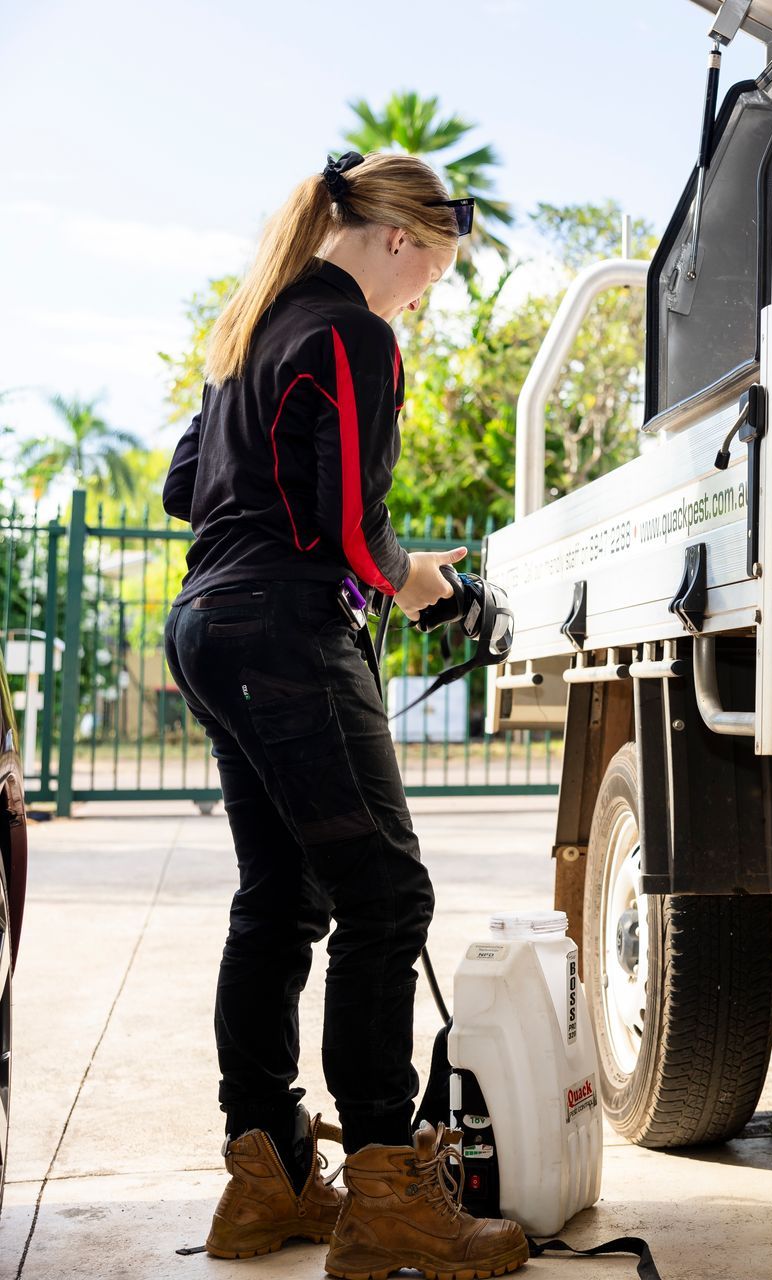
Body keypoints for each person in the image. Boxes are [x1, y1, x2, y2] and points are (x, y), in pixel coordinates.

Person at [162, 150, 528, 1278]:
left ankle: (263, 1178)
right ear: (401, 240)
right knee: (386, 894)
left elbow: (186, 488)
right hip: (287, 631)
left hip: (210, 625)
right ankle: (385, 1188)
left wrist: (372, 557)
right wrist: (442, 589)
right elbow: (359, 538)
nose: (419, 297)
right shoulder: (350, 333)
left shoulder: (246, 329)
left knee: (282, 896)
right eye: (431, 275)